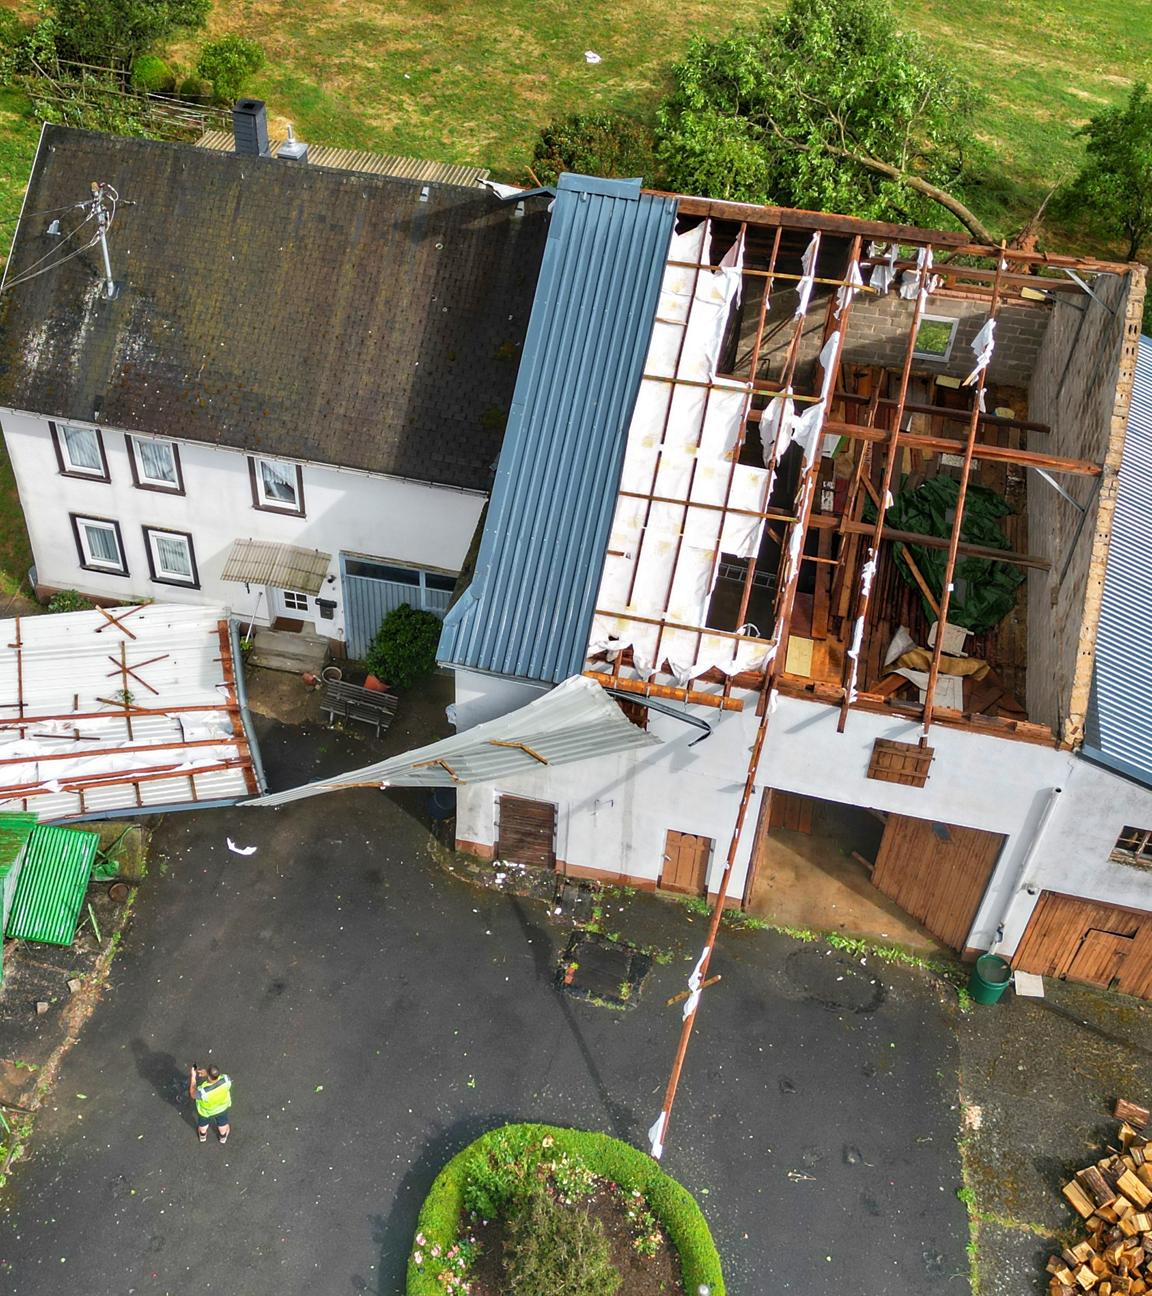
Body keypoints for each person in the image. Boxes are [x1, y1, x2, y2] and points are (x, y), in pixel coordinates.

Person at [189, 1063, 232, 1144]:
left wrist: (193, 1077)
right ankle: (223, 1137)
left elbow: (192, 1094)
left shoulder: (203, 1092)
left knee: (203, 1125)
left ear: (208, 1076)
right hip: (222, 1108)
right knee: (222, 1124)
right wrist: (208, 1073)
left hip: (206, 1112)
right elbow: (218, 1077)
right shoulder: (226, 1079)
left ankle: (202, 1136)